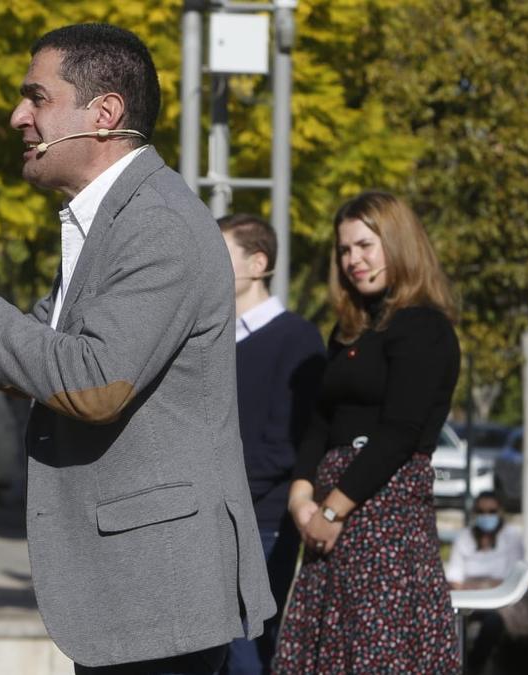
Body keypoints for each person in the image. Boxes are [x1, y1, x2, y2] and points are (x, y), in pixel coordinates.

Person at [0, 23, 275, 673]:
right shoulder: (111, 221)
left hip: (160, 595)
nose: (18, 116)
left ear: (104, 113)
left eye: (36, 97)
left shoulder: (158, 224)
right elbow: (37, 364)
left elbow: (94, 385)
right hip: (134, 597)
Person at [272, 190, 462, 673]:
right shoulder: (350, 331)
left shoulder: (422, 327)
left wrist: (332, 512)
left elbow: (399, 433)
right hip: (329, 518)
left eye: (364, 246)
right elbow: (321, 421)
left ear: (397, 244)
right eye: (344, 250)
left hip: (384, 516)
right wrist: (301, 497)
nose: (353, 260)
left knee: (380, 653)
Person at [216, 214, 325, 674]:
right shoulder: (211, 337)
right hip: (209, 521)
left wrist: (225, 491)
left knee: (247, 653)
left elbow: (288, 443)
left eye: (219, 256)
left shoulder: (298, 338)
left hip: (262, 523)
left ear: (258, 262)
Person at [446, 492, 528, 675]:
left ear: (500, 511)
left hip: (500, 600)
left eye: (491, 511)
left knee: (493, 623)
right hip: (471, 598)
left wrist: (478, 585)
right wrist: (478, 586)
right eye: (481, 511)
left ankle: (474, 667)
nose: (486, 516)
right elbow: (455, 578)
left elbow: (510, 578)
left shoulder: (511, 536)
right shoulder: (464, 538)